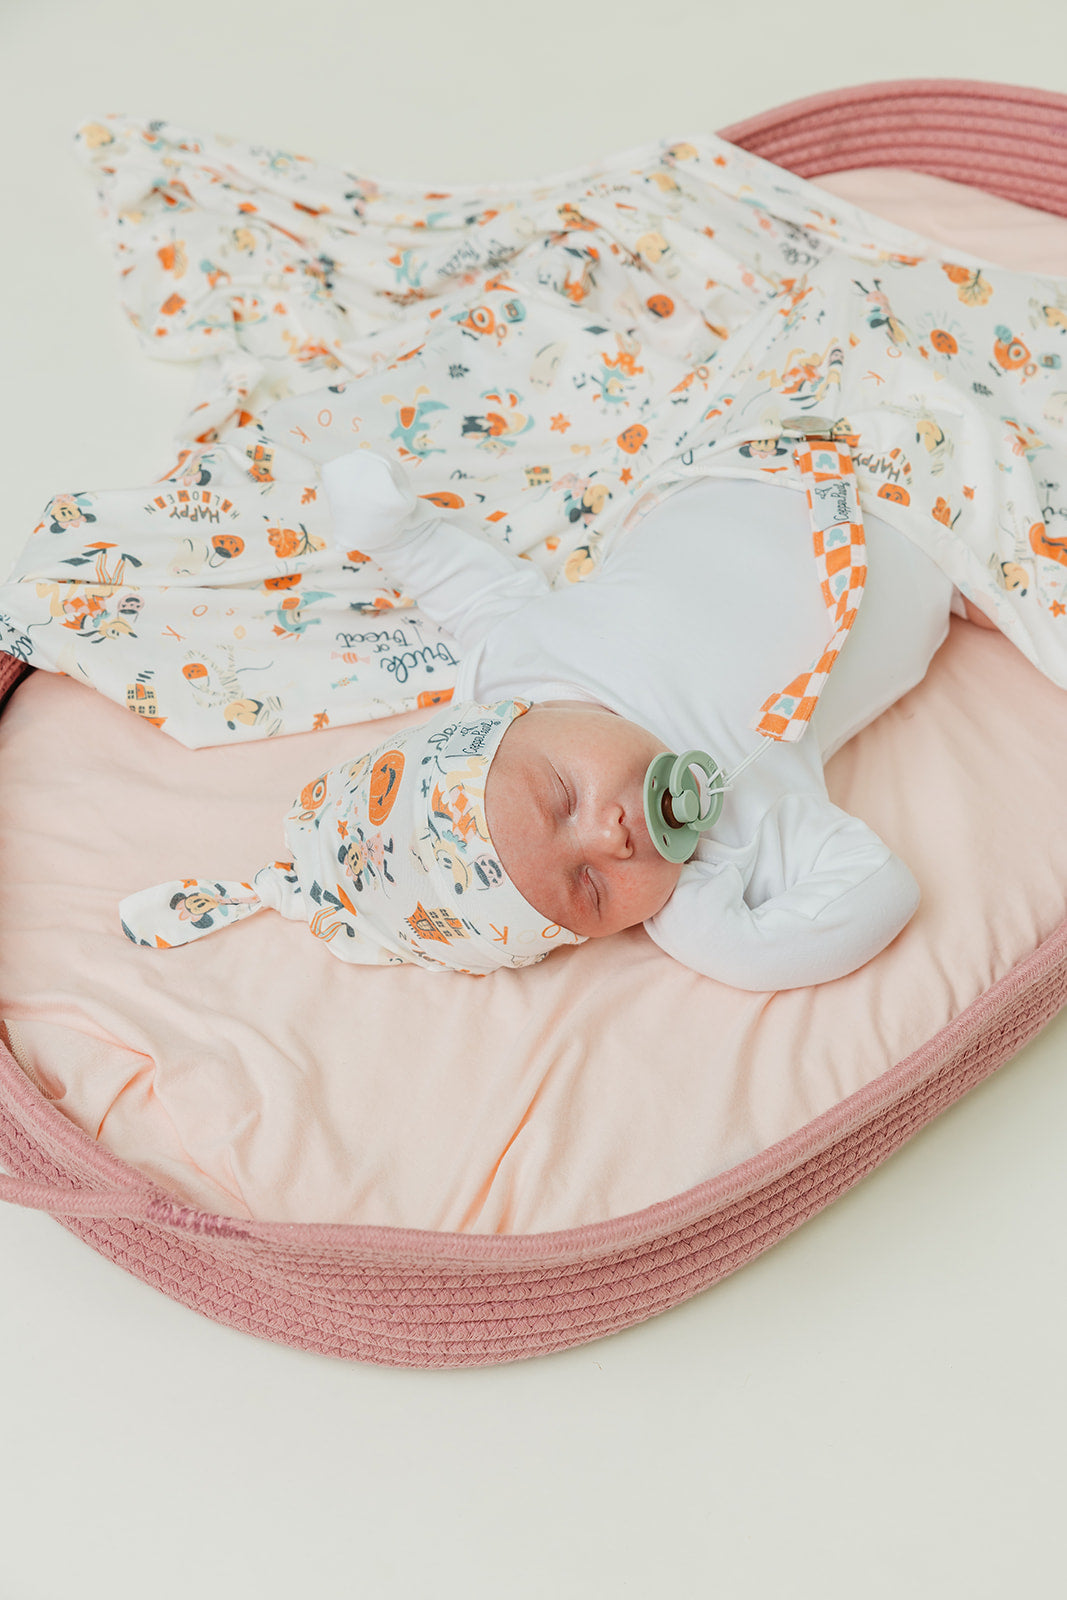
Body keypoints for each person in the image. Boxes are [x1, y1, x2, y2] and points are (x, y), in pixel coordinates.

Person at [311, 446, 968, 989]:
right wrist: (726, 942)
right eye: (591, 888)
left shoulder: (511, 663)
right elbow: (880, 888)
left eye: (563, 797)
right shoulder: (732, 834)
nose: (610, 839)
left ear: (507, 721)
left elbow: (471, 588)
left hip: (763, 457)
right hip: (937, 534)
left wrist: (400, 534)